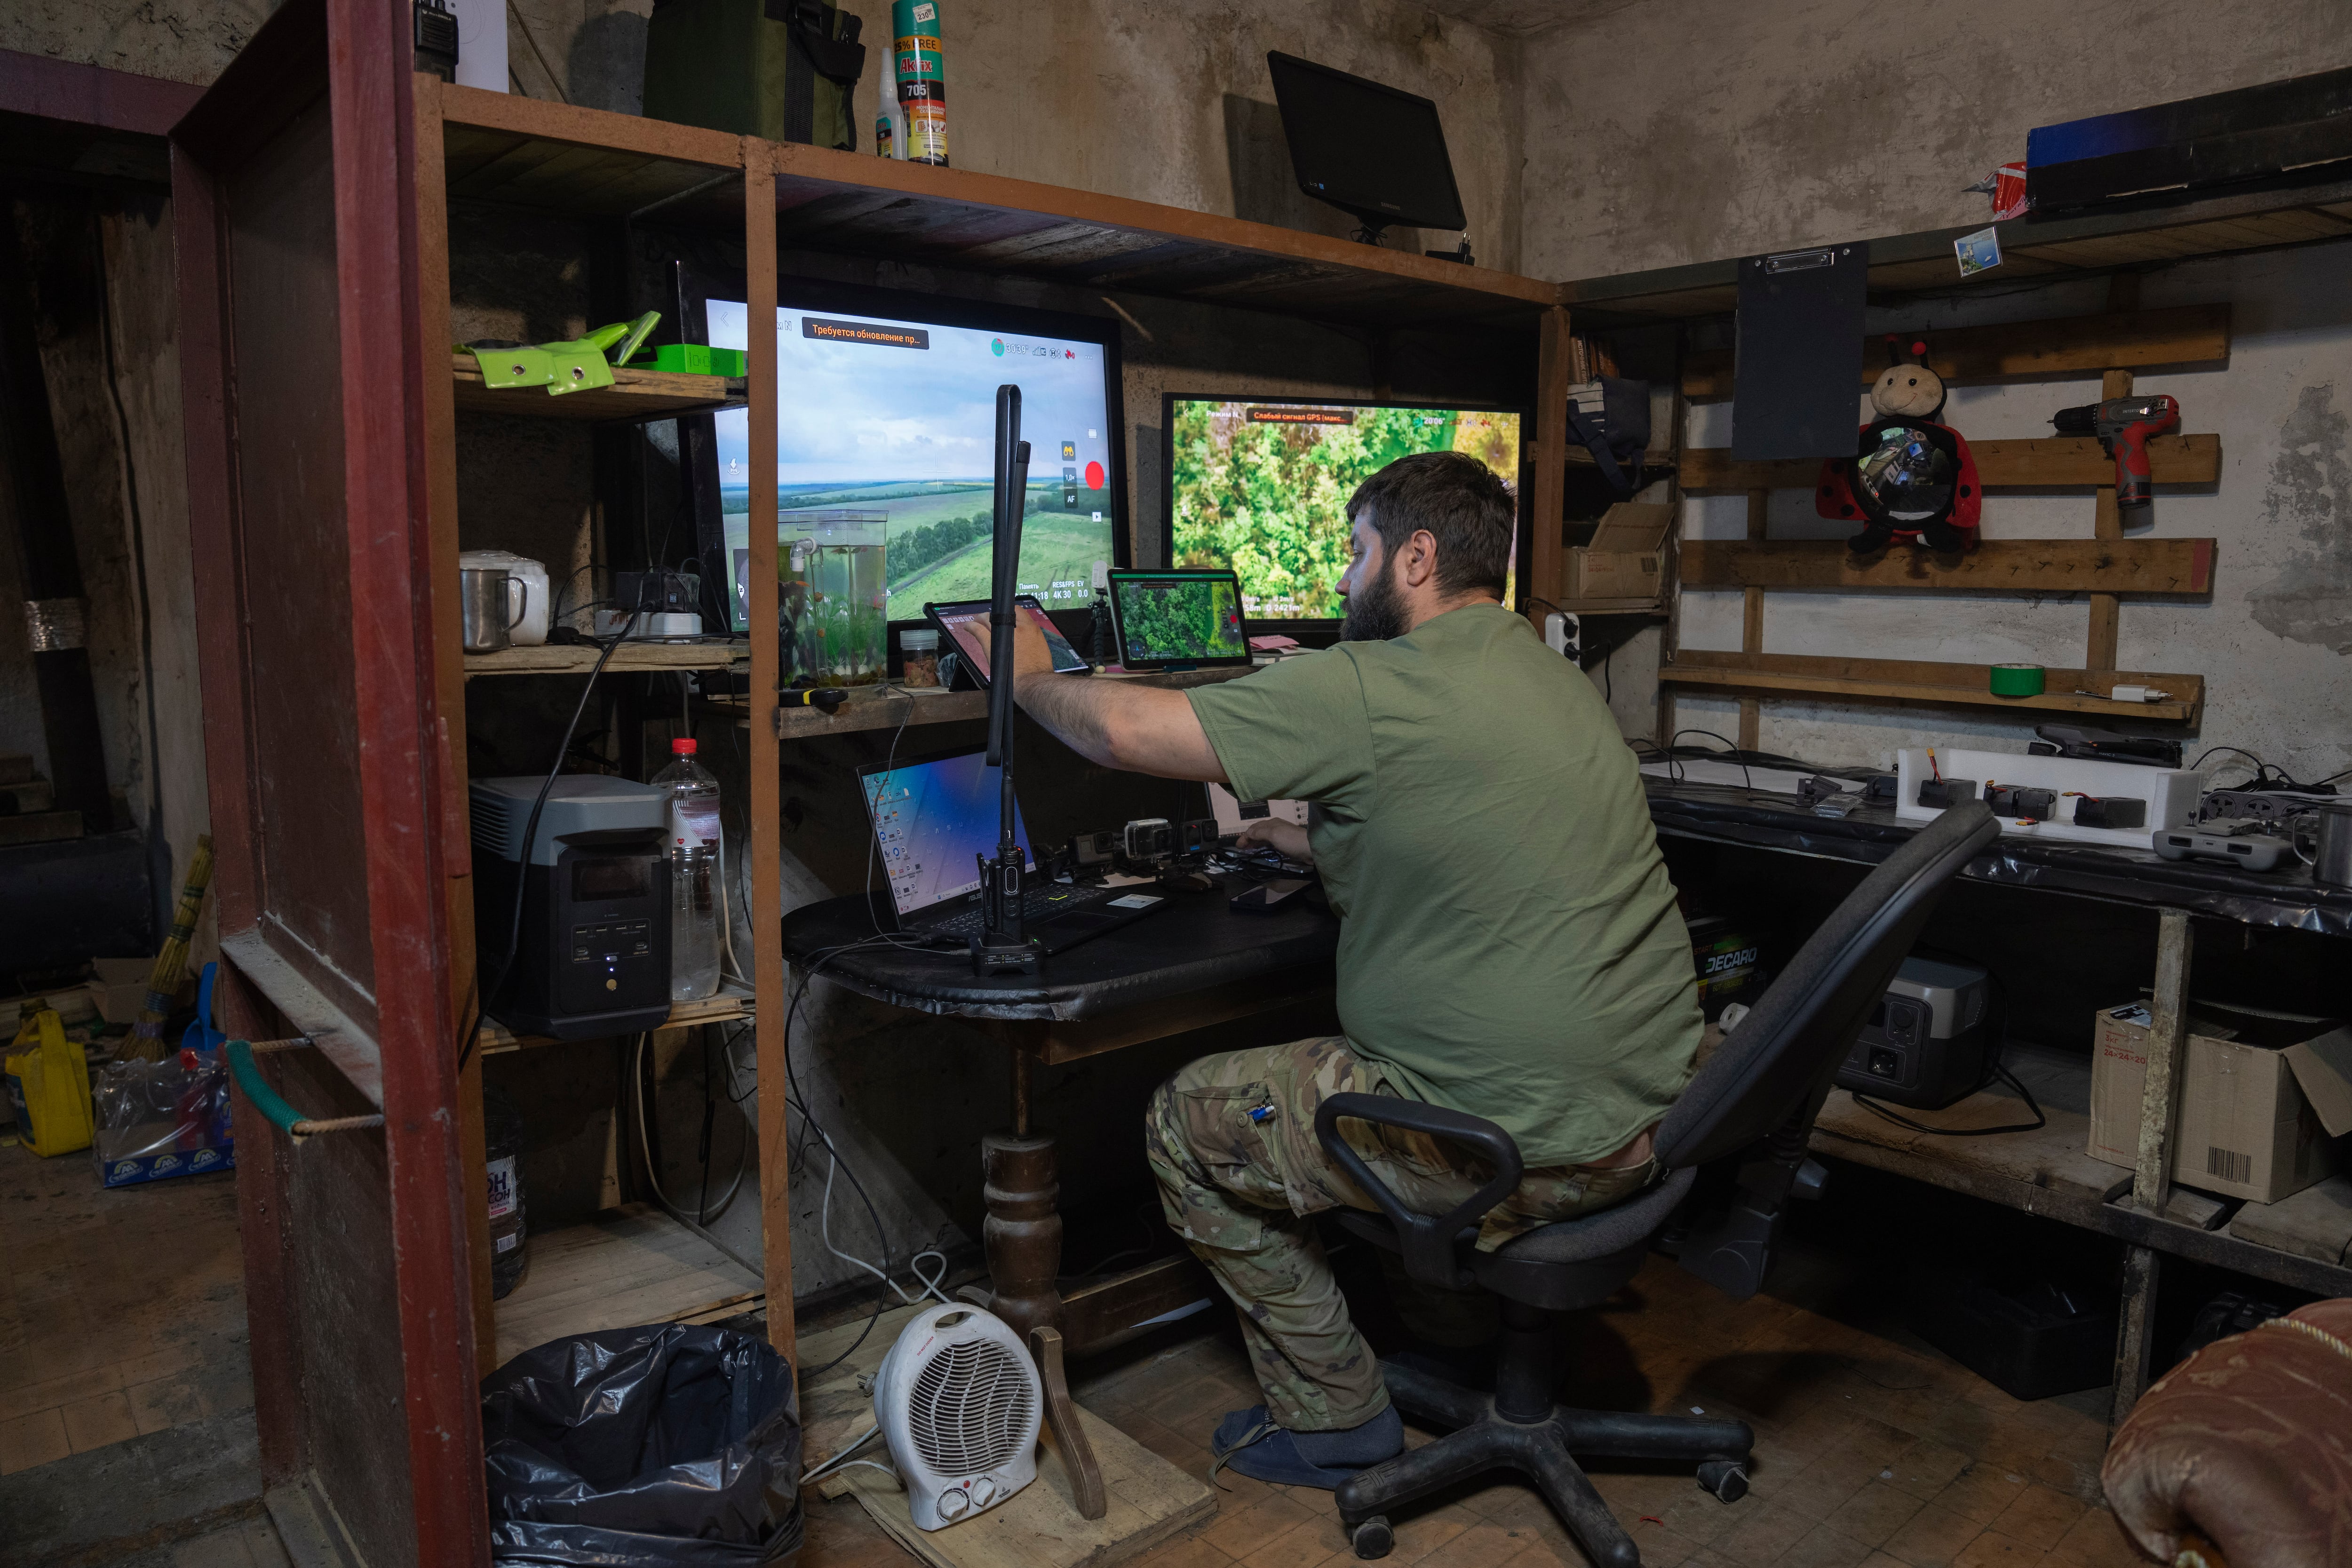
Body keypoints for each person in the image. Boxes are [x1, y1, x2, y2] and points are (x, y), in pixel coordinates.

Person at [978, 450, 1700, 1488]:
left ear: (1413, 557)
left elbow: (1129, 732)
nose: (1346, 579)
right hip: (1640, 1118)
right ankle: (1449, 1336)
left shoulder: (1372, 680)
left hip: (1512, 1141)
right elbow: (1471, 828)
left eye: (1356, 552)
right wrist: (1303, 842)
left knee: (1183, 1120)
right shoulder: (1546, 668)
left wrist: (1030, 672)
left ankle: (1337, 1419)